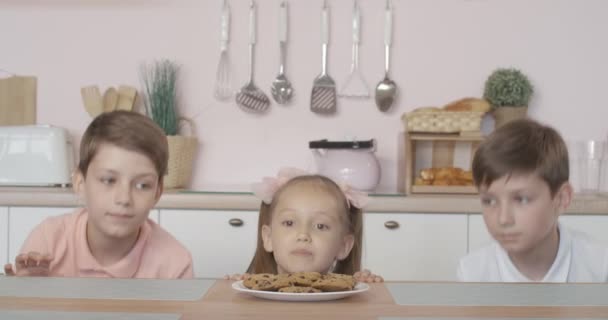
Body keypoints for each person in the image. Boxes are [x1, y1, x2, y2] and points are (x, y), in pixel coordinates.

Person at [4, 110, 193, 279]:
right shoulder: (48, 240)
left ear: (157, 192)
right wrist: (27, 292)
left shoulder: (175, 263)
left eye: (143, 185)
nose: (124, 198)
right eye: (109, 180)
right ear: (80, 183)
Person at [457, 119, 608, 282]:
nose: (503, 219)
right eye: (490, 201)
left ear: (561, 199)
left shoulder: (600, 268)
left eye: (521, 199)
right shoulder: (472, 274)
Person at [227, 168, 383, 283]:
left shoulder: (352, 294)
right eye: (289, 223)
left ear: (343, 245)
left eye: (321, 226)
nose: (303, 235)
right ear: (268, 238)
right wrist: (237, 292)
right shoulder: (250, 291)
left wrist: (368, 291)